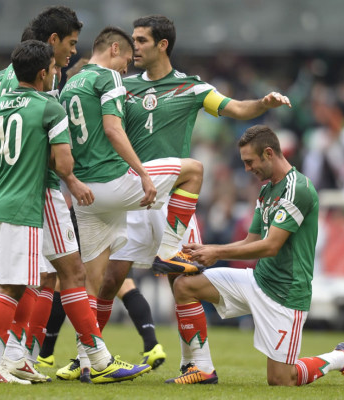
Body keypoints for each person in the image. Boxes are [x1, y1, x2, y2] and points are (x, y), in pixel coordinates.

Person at [96, 14, 292, 371]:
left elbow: (235, 108)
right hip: (135, 196)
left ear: (162, 45)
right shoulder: (124, 86)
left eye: (140, 41)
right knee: (110, 279)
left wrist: (263, 104)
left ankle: (198, 365)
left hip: (174, 201)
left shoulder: (192, 87)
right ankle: (91, 358)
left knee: (183, 281)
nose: (133, 47)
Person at [163, 124, 344, 386]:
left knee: (281, 380)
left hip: (286, 296)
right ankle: (203, 369)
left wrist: (217, 251)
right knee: (185, 286)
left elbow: (271, 245)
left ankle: (341, 358)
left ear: (269, 153)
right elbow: (252, 241)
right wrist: (205, 251)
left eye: (250, 162)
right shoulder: (266, 190)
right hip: (258, 281)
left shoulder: (299, 188)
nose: (248, 169)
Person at [0, 6, 85, 382]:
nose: (70, 56)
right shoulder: (45, 94)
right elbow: (54, 152)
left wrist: (7, 161)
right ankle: (4, 359)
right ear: (49, 50)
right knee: (32, 279)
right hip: (35, 191)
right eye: (69, 46)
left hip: (0, 192)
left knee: (4, 275)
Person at [57, 25, 204, 377]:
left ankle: (90, 363)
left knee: (91, 282)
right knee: (194, 169)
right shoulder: (108, 77)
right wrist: (142, 172)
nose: (128, 67)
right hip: (114, 184)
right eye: (126, 57)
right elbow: (112, 129)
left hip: (86, 194)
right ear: (112, 49)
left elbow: (61, 144)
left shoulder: (67, 87)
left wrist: (71, 182)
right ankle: (172, 251)